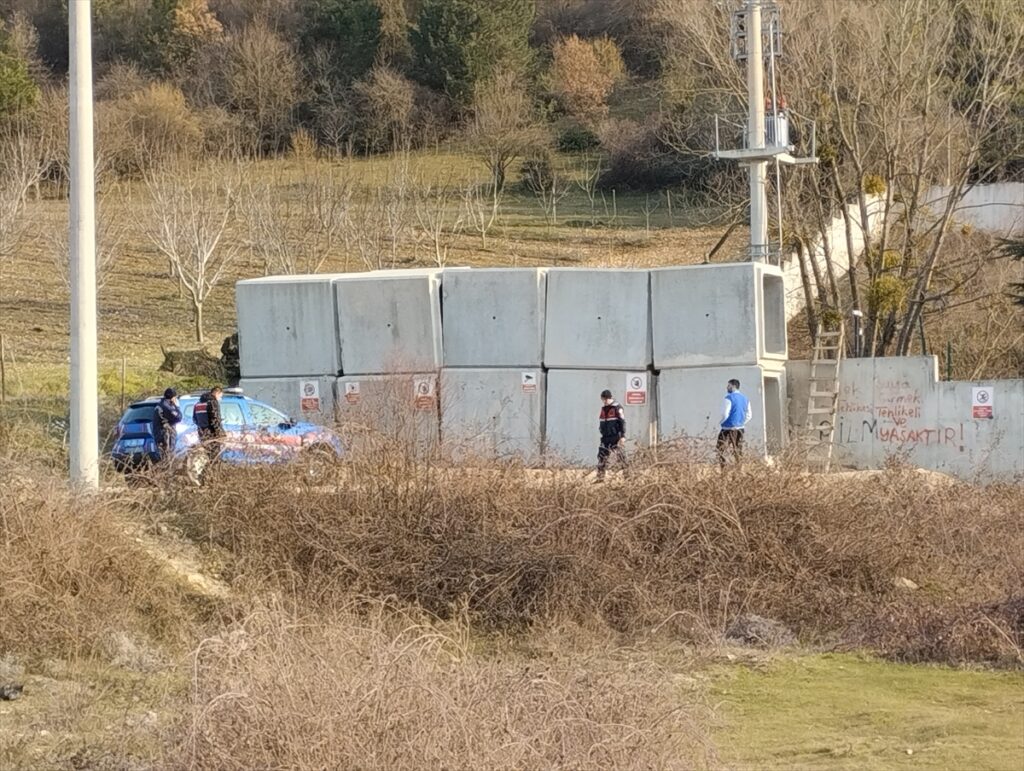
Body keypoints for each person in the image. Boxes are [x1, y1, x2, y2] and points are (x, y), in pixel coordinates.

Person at [717, 379, 751, 468]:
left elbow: (725, 413)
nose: (727, 387)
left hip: (727, 429)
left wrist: (721, 422)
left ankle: (724, 470)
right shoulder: (745, 399)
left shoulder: (729, 398)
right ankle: (739, 470)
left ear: (733, 386)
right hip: (740, 429)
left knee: (721, 450)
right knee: (738, 451)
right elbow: (749, 415)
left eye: (728, 385)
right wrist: (741, 423)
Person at [596, 389, 628, 482]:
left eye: (605, 399)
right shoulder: (603, 409)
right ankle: (600, 478)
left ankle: (628, 476)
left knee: (621, 457)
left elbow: (622, 422)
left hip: (616, 437)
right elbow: (602, 422)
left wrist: (622, 436)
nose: (604, 401)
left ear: (610, 398)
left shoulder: (617, 408)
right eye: (603, 400)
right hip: (605, 437)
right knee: (601, 456)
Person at [194, 385, 225, 462]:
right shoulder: (213, 402)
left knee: (205, 455)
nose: (220, 399)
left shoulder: (198, 404)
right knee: (214, 456)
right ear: (217, 393)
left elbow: (194, 419)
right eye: (220, 396)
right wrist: (221, 433)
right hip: (212, 434)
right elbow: (215, 419)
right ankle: (213, 472)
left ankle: (205, 472)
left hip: (202, 433)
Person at [151, 387, 182, 465]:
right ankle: (166, 474)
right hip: (166, 435)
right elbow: (178, 417)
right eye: (175, 397)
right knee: (167, 457)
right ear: (172, 397)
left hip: (161, 434)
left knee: (163, 457)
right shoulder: (166, 406)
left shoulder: (160, 405)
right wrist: (177, 407)